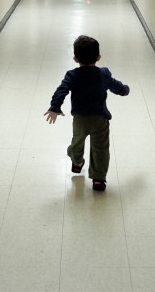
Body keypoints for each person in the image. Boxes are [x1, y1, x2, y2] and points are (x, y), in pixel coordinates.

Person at [44, 35, 130, 192]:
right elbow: (115, 86)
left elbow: (61, 90)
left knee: (77, 144)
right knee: (101, 149)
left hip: (81, 119)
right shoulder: (103, 74)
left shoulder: (73, 75)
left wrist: (55, 107)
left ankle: (82, 166)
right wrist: (125, 90)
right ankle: (95, 174)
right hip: (99, 119)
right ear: (98, 57)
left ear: (75, 59)